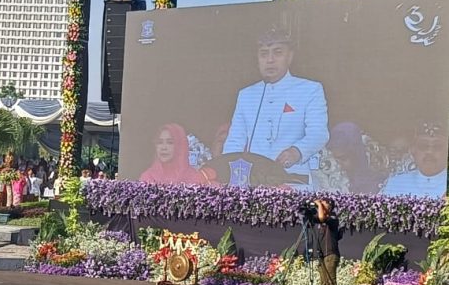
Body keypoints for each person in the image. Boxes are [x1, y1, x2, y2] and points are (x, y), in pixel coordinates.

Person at [223, 28, 329, 187]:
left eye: (277, 52)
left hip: (293, 181)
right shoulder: (246, 95)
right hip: (253, 184)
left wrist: (296, 151)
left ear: (290, 56)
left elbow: (319, 133)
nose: (270, 60)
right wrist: (228, 173)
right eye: (264, 54)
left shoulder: (309, 90)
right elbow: (234, 140)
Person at [381, 121, 448, 198]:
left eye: (437, 146)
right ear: (413, 150)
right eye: (423, 146)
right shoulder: (396, 183)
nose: (430, 152)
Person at [140, 123, 217, 184]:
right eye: (160, 142)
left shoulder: (195, 178)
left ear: (180, 146)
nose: (163, 147)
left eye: (170, 143)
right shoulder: (148, 177)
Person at [325, 122, 385, 194]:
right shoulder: (329, 180)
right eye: (334, 159)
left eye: (343, 159)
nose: (337, 165)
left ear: (357, 154)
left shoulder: (377, 183)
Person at [311, 198, 341, 285]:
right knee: (324, 283)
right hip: (321, 255)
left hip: (331, 255)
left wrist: (319, 204)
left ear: (328, 207)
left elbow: (323, 218)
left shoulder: (333, 218)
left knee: (331, 281)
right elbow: (311, 219)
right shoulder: (320, 220)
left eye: (322, 204)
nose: (319, 206)